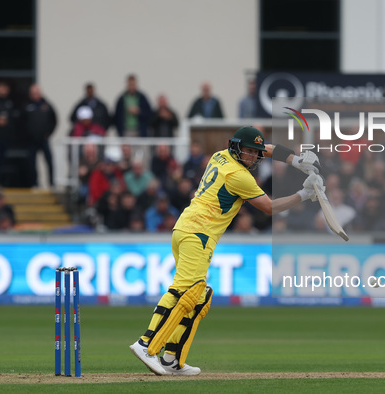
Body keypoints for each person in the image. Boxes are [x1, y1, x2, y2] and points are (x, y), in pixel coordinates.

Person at [129, 126, 323, 376]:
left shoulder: (220, 155)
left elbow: (267, 149)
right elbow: (270, 207)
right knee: (184, 292)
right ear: (237, 148)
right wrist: (305, 193)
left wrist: (296, 160)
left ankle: (171, 358)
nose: (253, 157)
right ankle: (146, 344)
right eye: (249, 152)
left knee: (199, 299)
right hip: (197, 233)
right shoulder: (239, 176)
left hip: (187, 230)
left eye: (256, 153)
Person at [21, 84, 57, 187]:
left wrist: (49, 133)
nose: (35, 95)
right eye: (33, 93)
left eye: (37, 93)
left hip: (43, 139)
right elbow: (21, 122)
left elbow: (54, 120)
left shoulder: (47, 106)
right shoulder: (26, 106)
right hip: (31, 140)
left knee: (49, 161)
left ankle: (51, 183)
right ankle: (34, 183)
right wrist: (26, 135)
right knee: (31, 163)